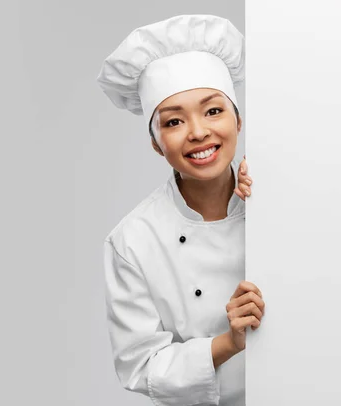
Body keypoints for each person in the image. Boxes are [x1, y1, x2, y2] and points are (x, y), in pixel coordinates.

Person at [96, 14, 260, 406]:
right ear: (156, 143)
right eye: (173, 121)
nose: (198, 131)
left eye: (213, 111)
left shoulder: (275, 203)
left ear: (238, 119)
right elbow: (141, 366)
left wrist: (284, 200)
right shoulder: (133, 240)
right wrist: (228, 341)